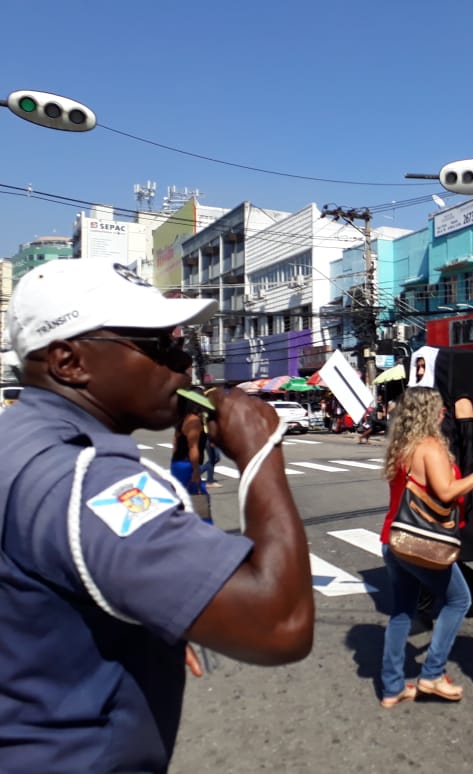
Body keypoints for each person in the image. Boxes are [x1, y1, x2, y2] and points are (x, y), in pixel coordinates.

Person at [0, 260, 313, 771]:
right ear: (69, 362)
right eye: (158, 345)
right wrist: (261, 450)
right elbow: (281, 624)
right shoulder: (90, 479)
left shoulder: (16, 439)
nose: (183, 362)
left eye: (181, 344)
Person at [377, 387, 473, 709]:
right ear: (427, 413)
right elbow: (446, 492)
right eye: (438, 408)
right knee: (459, 600)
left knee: (402, 612)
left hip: (394, 539)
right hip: (421, 541)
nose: (443, 413)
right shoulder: (429, 447)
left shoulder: (402, 446)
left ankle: (392, 687)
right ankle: (432, 674)